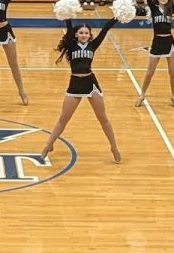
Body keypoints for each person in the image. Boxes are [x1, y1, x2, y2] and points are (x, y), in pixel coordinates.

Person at [39, 19, 121, 163]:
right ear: (76, 35)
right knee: (63, 119)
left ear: (90, 35)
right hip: (75, 84)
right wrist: (68, 16)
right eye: (81, 33)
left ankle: (114, 147)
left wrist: (117, 16)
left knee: (103, 117)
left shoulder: (93, 45)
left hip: (91, 83)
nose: (84, 35)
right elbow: (69, 27)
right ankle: (47, 145)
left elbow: (105, 29)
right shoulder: (71, 45)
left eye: (86, 33)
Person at [134, 0, 174, 108]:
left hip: (169, 42)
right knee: (150, 72)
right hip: (157, 42)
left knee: (172, 72)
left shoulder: (171, 9)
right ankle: (142, 94)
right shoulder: (154, 9)